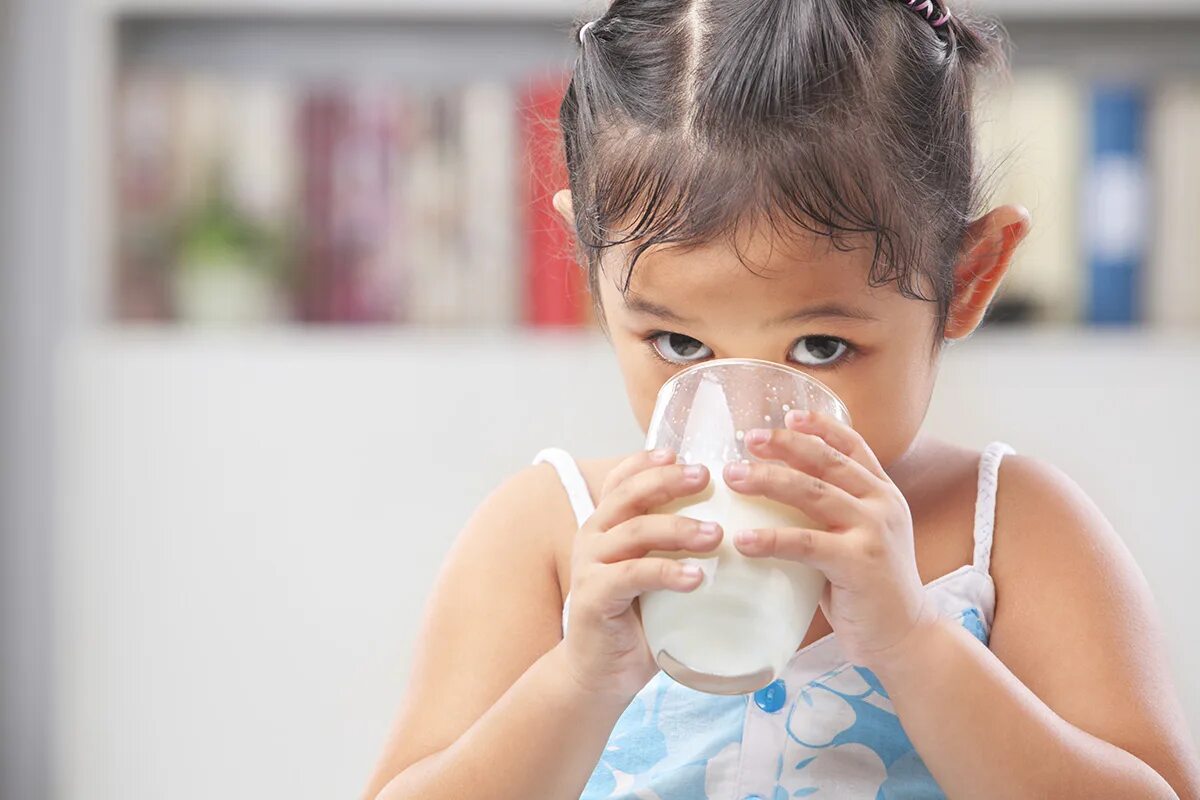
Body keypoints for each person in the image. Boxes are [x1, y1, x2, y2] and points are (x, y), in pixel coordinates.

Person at [364, 0, 1200, 796]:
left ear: (967, 279)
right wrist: (580, 678)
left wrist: (911, 642)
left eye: (822, 349)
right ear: (595, 276)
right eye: (680, 346)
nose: (743, 423)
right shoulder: (553, 536)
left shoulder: (1009, 531)